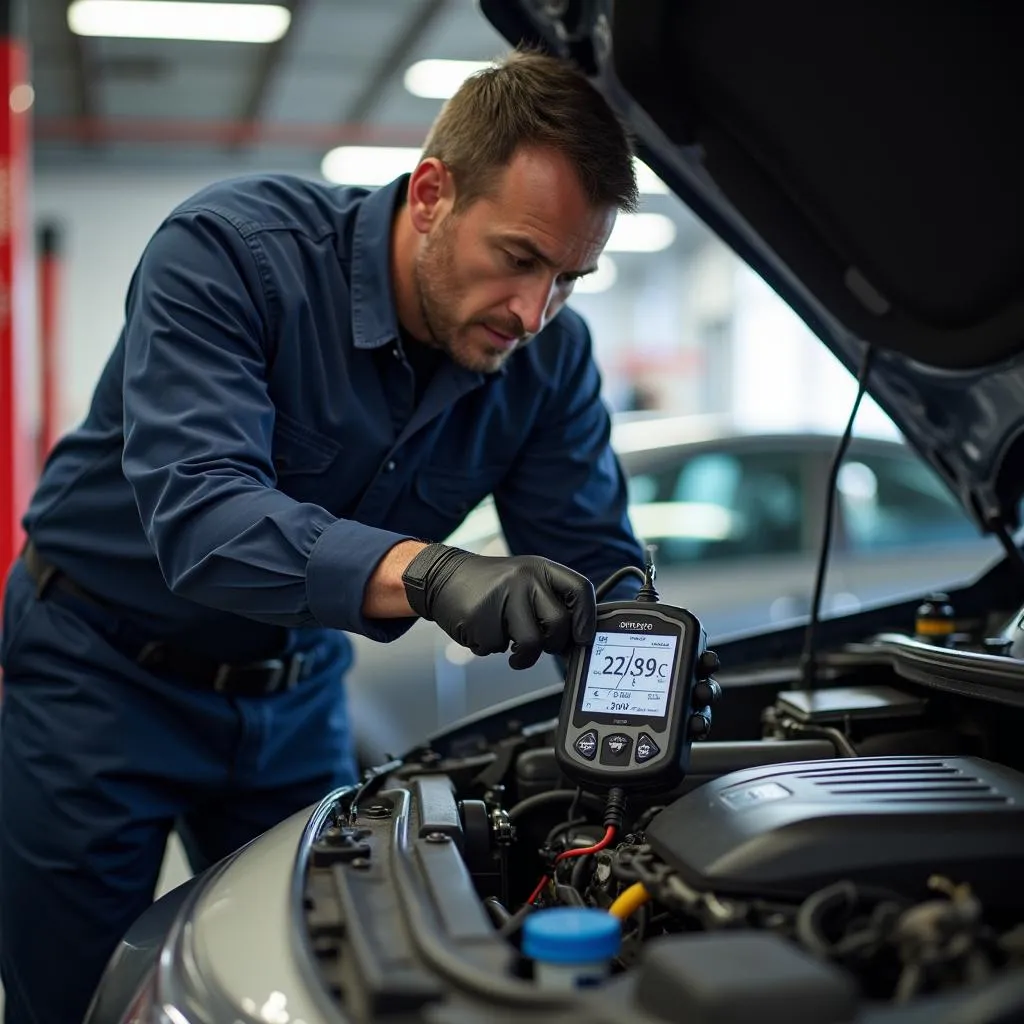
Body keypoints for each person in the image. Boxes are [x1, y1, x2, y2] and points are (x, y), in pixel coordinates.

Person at [0, 47, 646, 1024]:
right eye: (517, 258)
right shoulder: (229, 254)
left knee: (330, 980)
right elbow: (205, 515)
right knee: (79, 998)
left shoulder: (549, 358)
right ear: (431, 193)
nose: (533, 311)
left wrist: (646, 678)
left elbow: (594, 557)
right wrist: (431, 575)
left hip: (293, 696)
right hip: (97, 676)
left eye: (568, 277)